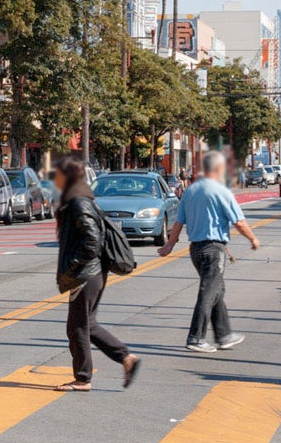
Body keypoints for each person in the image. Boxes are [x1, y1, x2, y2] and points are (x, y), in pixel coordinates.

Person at [51, 155, 140, 392]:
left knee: (78, 327)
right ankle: (125, 358)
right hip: (90, 273)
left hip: (86, 273)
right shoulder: (78, 198)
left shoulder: (79, 201)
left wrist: (74, 265)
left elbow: (92, 239)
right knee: (86, 324)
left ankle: (83, 378)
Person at [160, 151, 261, 353]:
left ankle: (224, 335)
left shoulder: (190, 191)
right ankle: (196, 337)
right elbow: (239, 222)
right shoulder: (222, 192)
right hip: (214, 250)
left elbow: (178, 222)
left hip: (196, 250)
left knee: (216, 290)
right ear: (218, 168)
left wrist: (169, 245)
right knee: (208, 292)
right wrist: (253, 238)